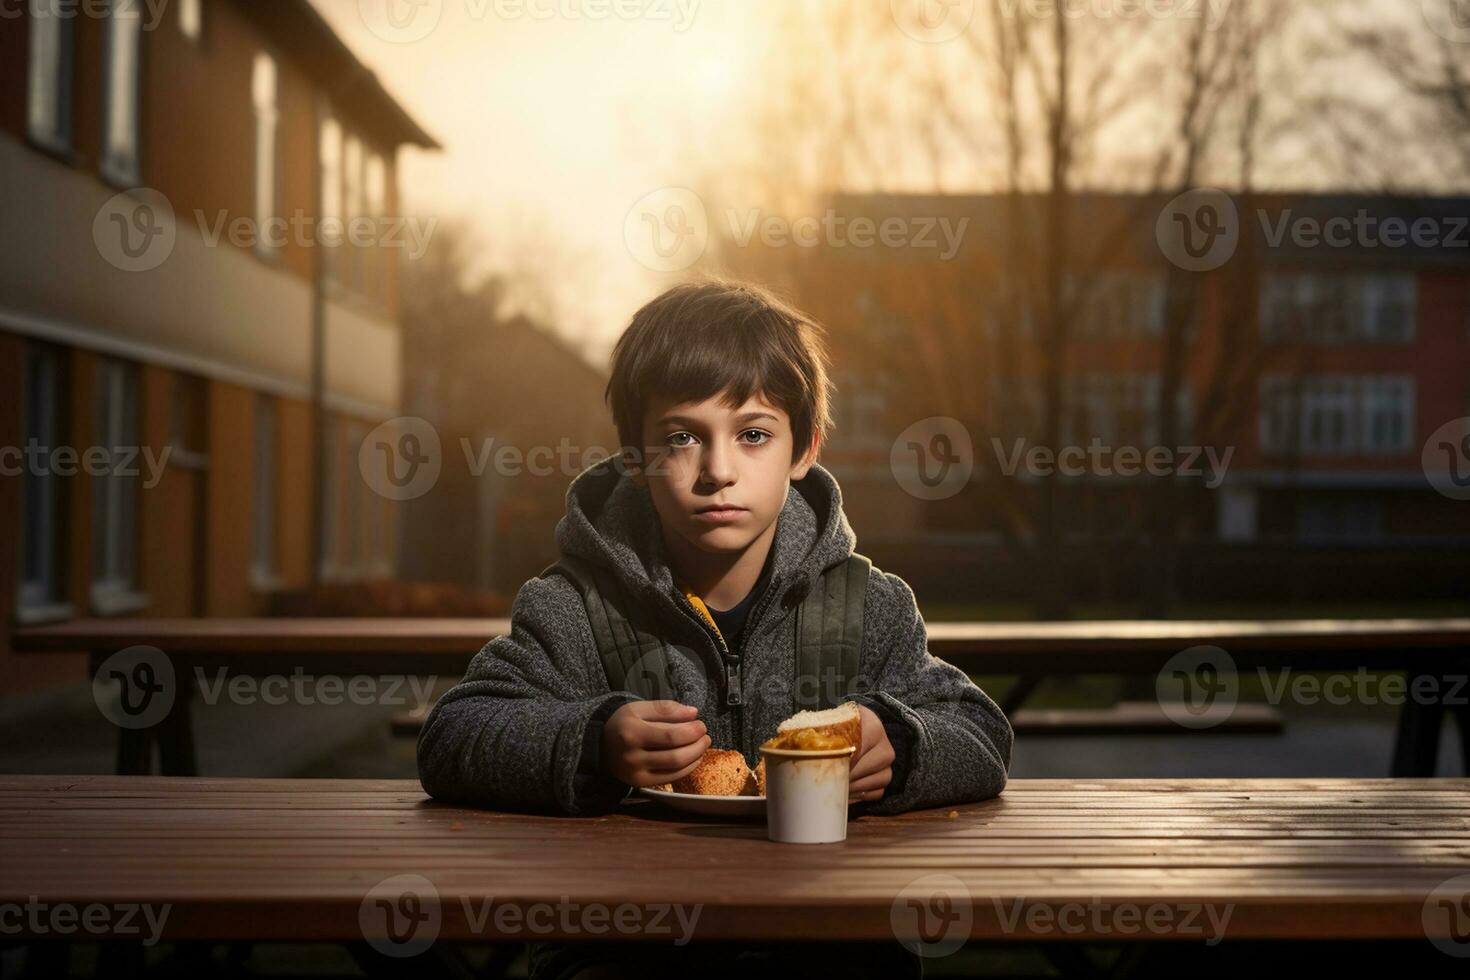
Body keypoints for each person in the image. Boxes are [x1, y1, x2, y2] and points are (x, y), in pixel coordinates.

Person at [417, 278, 1014, 979]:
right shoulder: (573, 607)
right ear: (635, 456)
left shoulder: (869, 605)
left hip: (833, 950)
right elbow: (453, 736)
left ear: (803, 450)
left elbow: (981, 733)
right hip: (623, 955)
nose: (718, 471)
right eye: (681, 437)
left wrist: (903, 745)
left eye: (753, 434)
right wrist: (593, 739)